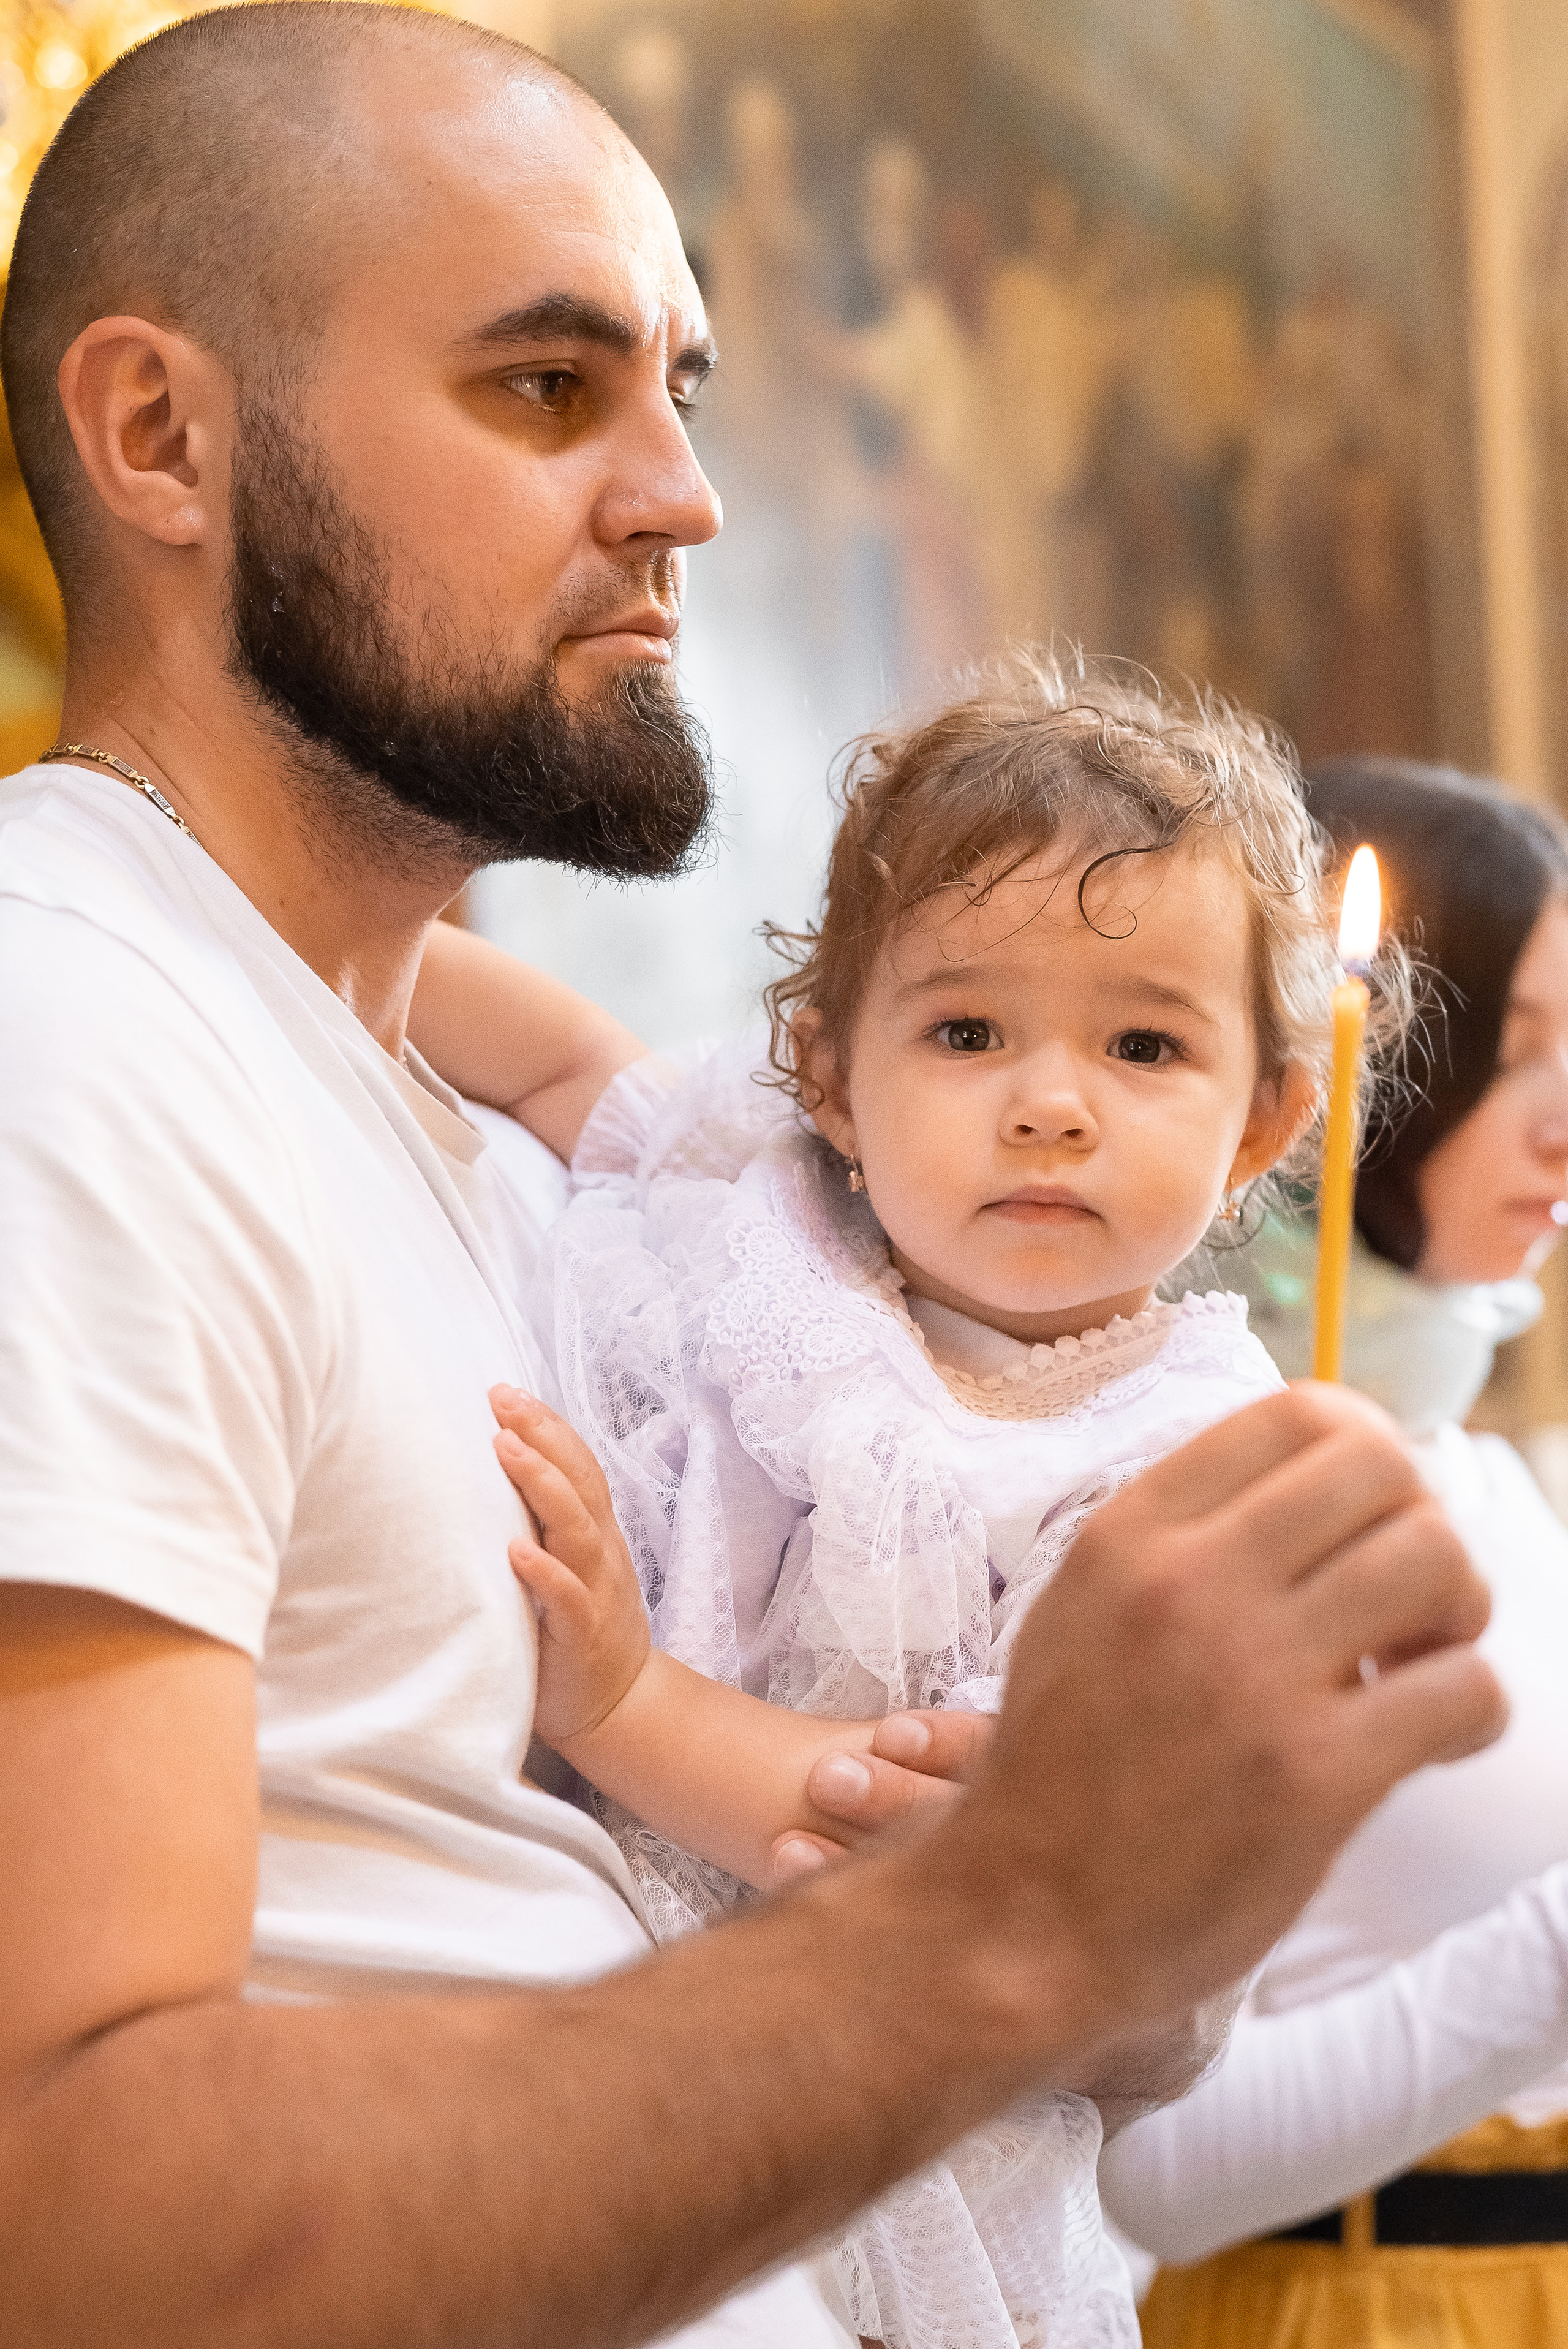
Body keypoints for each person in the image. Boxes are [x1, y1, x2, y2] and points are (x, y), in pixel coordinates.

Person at [0, 14, 1504, 2344]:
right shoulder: (68, 1026)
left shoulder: (501, 1171)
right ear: (161, 437)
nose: (686, 496)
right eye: (545, 385)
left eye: (682, 389)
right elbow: (60, 2209)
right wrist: (1014, 1910)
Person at [403, 656, 1394, 2349]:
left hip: (892, 2138)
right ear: (831, 1080)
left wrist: (628, 1702)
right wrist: (249, 930)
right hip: (573, 2007)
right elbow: (557, 1052)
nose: (1052, 1102)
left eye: (1145, 1042)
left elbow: (944, 1837)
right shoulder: (764, 1195)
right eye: (966, 1031)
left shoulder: (1185, 1464)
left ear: (1264, 1123)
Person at [1102, 757, 1568, 2345]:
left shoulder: (1484, 1472)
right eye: (1514, 1049)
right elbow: (1153, 2171)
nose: (1565, 1115)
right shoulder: (1202, 1486)